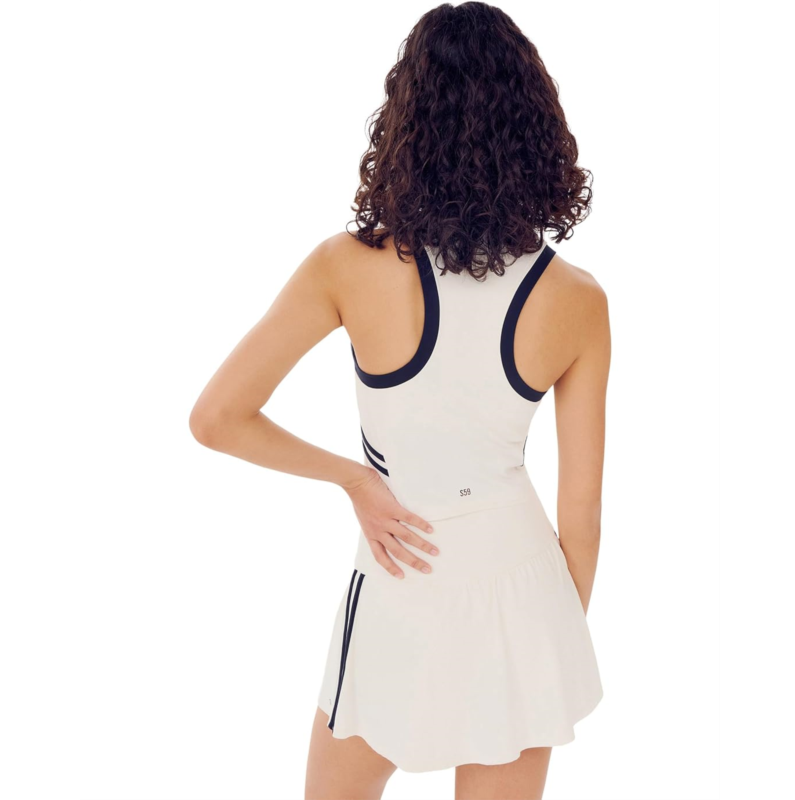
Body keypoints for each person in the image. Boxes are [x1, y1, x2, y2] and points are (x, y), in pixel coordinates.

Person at [190, 3, 610, 798]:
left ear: (406, 121)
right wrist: (546, 647)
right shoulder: (579, 298)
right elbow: (581, 515)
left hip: (400, 578)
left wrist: (356, 479)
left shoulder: (345, 267)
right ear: (536, 126)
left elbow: (217, 419)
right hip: (523, 582)